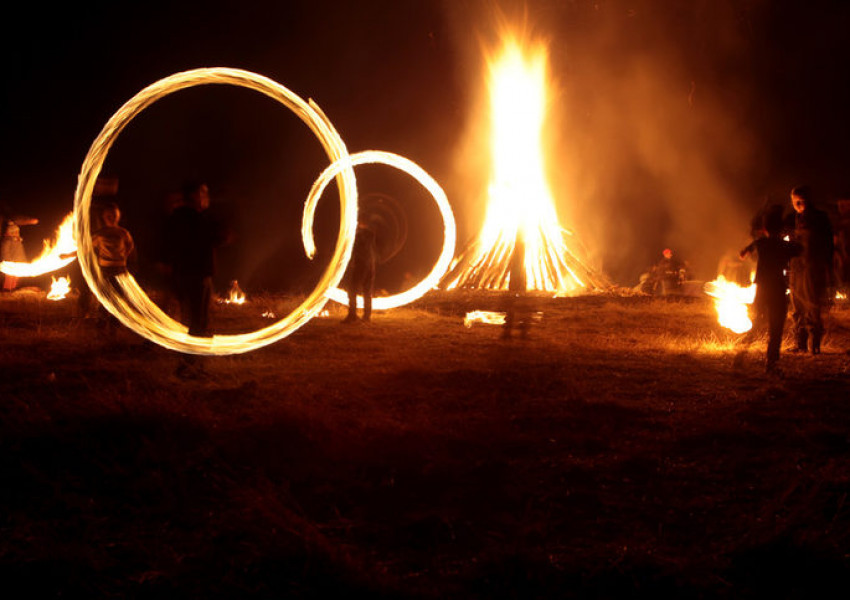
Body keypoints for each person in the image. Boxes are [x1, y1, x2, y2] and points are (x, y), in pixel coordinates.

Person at [739, 205, 801, 372]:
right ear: (781, 228)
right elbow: (800, 250)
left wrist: (747, 252)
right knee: (776, 326)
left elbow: (744, 252)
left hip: (762, 287)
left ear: (764, 228)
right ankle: (771, 361)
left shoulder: (761, 243)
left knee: (757, 320)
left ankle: (741, 350)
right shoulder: (784, 245)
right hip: (777, 288)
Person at [165, 181, 228, 338]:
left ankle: (198, 348)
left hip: (203, 273)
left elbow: (214, 238)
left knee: (202, 316)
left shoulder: (199, 216)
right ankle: (191, 356)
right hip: (192, 273)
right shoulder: (184, 217)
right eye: (203, 193)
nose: (207, 197)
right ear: (193, 195)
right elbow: (202, 239)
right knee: (195, 317)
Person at [784, 185, 834, 354]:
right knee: (797, 305)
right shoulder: (793, 219)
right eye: (794, 201)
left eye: (800, 200)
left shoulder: (819, 218)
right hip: (796, 267)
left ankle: (815, 346)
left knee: (812, 305)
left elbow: (827, 244)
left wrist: (826, 265)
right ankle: (801, 344)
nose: (797, 204)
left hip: (812, 267)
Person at [91, 202, 135, 336]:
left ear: (118, 216)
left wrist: (123, 258)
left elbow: (130, 246)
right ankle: (101, 326)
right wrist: (69, 255)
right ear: (104, 217)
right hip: (105, 270)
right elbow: (87, 248)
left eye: (114, 215)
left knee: (119, 300)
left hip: (120, 270)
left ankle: (114, 327)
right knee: (105, 298)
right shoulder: (100, 234)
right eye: (109, 215)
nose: (112, 217)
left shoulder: (123, 233)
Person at [343, 217, 378, 323]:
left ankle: (352, 315)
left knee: (353, 289)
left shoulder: (362, 234)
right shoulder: (370, 234)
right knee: (367, 291)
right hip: (370, 264)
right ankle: (366, 317)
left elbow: (358, 244)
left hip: (362, 264)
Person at [0, 206, 38, 291]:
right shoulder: (7, 239)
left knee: (17, 273)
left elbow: (21, 252)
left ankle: (13, 288)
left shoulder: (18, 239)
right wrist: (7, 261)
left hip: (17, 253)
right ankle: (7, 289)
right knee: (9, 273)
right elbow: (5, 252)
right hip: (10, 254)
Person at [502, 229, 529, 339]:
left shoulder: (518, 248)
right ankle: (519, 331)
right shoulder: (519, 247)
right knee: (519, 305)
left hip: (516, 281)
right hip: (517, 281)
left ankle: (512, 331)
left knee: (515, 305)